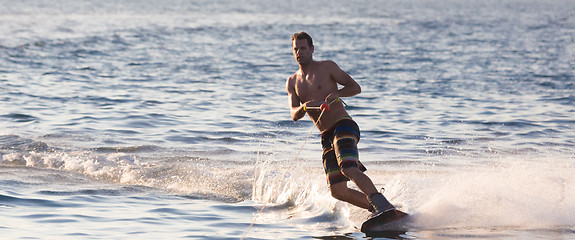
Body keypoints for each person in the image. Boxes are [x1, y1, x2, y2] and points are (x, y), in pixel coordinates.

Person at [286, 31, 395, 217]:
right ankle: (378, 210)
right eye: (296, 49)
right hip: (325, 135)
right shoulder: (292, 82)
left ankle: (383, 205)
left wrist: (338, 94)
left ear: (312, 49)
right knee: (337, 191)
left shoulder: (327, 67)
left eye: (303, 48)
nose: (299, 52)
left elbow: (355, 87)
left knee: (347, 167)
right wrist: (304, 107)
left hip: (343, 124)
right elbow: (294, 115)